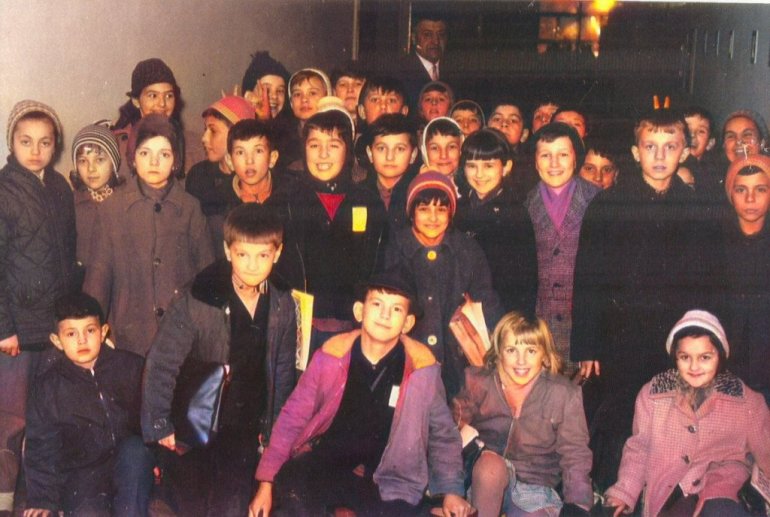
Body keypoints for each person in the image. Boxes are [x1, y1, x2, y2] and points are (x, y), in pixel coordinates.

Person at [571, 110, 724, 490]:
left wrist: (703, 338)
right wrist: (587, 344)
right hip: (619, 336)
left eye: (670, 147)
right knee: (619, 417)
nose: (659, 156)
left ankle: (661, 492)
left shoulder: (698, 209)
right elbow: (588, 278)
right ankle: (611, 492)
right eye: (650, 146)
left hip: (676, 336)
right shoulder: (608, 206)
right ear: (636, 152)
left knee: (673, 414)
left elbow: (708, 280)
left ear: (684, 152)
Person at [248, 269, 470, 517]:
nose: (385, 315)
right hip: (328, 467)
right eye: (377, 304)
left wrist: (452, 491)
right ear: (359, 311)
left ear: (408, 323)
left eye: (397, 309)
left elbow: (442, 434)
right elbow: (293, 417)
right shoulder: (331, 357)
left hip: (389, 482)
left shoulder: (422, 370)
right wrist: (266, 482)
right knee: (293, 485)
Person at [142, 203, 297, 516]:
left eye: (262, 255)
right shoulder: (200, 297)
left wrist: (273, 435)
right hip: (195, 420)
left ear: (277, 254)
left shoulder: (282, 303)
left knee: (231, 505)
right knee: (193, 503)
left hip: (244, 427)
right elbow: (161, 363)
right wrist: (159, 423)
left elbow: (282, 374)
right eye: (243, 254)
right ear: (228, 251)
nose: (252, 265)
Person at [604, 310, 770, 517]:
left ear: (720, 356)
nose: (694, 367)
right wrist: (624, 492)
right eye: (685, 357)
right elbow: (639, 449)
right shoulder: (653, 396)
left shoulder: (746, 401)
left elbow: (767, 453)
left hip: (723, 491)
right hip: (670, 490)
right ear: (675, 357)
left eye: (705, 357)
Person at [0, 100, 79, 514]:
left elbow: (69, 254)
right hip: (17, 329)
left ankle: (43, 496)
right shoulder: (4, 190)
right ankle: (4, 496)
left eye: (45, 142)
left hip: (53, 325)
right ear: (11, 144)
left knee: (48, 414)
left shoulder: (60, 187)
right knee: (12, 417)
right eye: (26, 141)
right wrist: (3, 327)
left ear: (55, 145)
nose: (35, 150)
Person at [84, 114, 215, 357]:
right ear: (133, 158)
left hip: (181, 336)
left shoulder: (190, 208)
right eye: (145, 153)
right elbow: (98, 279)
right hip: (128, 337)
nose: (154, 162)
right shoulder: (111, 209)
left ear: (175, 161)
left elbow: (207, 275)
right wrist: (94, 330)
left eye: (164, 154)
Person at [24, 292, 153, 517]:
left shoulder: (132, 367)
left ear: (103, 332)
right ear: (57, 341)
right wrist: (42, 499)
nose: (82, 340)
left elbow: (153, 417)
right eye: (71, 333)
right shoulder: (47, 388)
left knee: (135, 451)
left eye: (90, 331)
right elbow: (41, 447)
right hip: (81, 474)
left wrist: (156, 457)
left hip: (129, 464)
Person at [454, 312, 593, 517]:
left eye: (531, 350)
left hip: (536, 489)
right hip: (483, 483)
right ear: (499, 352)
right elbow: (449, 433)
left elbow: (575, 454)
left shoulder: (563, 393)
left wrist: (578, 505)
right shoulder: (478, 382)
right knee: (490, 467)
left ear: (544, 355)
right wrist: (449, 489)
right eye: (511, 350)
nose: (521, 361)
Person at [384, 171, 502, 400]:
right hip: (406, 361)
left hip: (456, 363)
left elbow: (487, 303)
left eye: (441, 209)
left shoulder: (467, 250)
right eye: (423, 209)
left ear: (451, 212)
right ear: (411, 212)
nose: (433, 217)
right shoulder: (395, 250)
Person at [285, 110, 387, 349]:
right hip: (298, 326)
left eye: (333, 145)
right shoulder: (285, 201)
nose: (323, 154)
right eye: (314, 145)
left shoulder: (368, 202)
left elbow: (380, 266)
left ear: (347, 150)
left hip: (355, 324)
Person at [525, 122, 600, 376]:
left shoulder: (598, 201)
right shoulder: (523, 204)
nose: (554, 163)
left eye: (563, 154)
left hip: (582, 330)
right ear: (535, 161)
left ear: (575, 159)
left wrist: (591, 343)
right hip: (539, 330)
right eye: (545, 155)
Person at [454, 128, 538, 314]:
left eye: (488, 166)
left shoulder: (515, 213)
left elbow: (524, 283)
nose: (479, 174)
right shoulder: (457, 209)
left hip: (498, 313)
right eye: (472, 166)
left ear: (506, 167)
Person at [719, 154, 770, 403]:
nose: (751, 199)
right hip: (726, 371)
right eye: (741, 190)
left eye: (761, 189)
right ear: (730, 192)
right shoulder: (714, 245)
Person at [186, 95, 256, 258]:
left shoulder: (254, 177)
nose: (204, 138)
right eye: (205, 129)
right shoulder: (198, 175)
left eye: (213, 131)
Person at [111, 58, 202, 178]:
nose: (162, 104)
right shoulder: (119, 148)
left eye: (169, 96)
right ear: (136, 101)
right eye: (153, 96)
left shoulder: (194, 145)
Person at [69, 123, 124, 270]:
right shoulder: (71, 204)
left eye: (99, 160)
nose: (91, 168)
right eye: (83, 161)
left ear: (113, 163)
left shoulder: (127, 202)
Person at [361, 113, 419, 234]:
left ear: (413, 155)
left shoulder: (420, 195)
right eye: (381, 148)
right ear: (370, 153)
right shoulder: (357, 195)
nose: (389, 157)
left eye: (400, 149)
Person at [397, 13, 449, 108]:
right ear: (414, 38)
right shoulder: (399, 71)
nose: (436, 41)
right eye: (427, 35)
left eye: (440, 35)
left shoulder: (456, 71)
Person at [421, 116, 464, 184]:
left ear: (461, 149)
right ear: (425, 152)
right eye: (435, 148)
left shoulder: (473, 183)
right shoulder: (418, 186)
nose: (443, 156)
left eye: (451, 147)